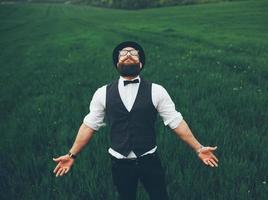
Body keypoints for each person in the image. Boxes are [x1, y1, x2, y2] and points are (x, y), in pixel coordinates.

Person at [53, 41, 219, 200]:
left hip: (149, 159)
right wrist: (71, 155)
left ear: (140, 64)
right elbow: (89, 125)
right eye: (123, 54)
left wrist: (199, 148)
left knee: (160, 197)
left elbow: (176, 122)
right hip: (120, 162)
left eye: (133, 53)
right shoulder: (102, 93)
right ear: (117, 65)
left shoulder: (157, 91)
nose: (127, 55)